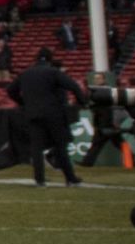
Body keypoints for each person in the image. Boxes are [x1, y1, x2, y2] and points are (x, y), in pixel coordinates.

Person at [7, 48, 86, 188]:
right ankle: (70, 178)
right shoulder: (53, 72)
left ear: (36, 59)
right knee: (60, 146)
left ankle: (40, 180)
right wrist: (82, 102)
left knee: (36, 148)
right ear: (50, 59)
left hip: (33, 114)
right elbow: (73, 86)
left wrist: (23, 102)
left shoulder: (25, 73)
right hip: (54, 114)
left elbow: (10, 90)